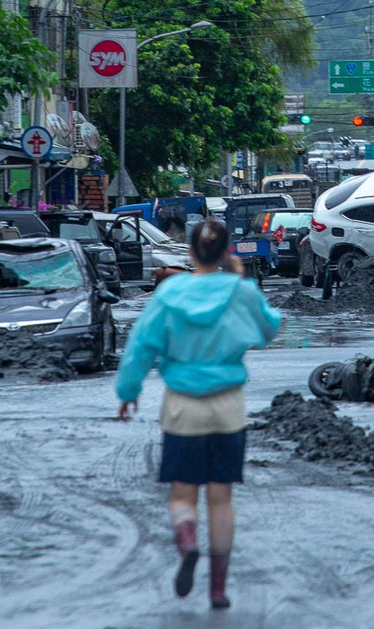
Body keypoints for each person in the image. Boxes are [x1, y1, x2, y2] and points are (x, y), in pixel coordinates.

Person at [116, 218, 281, 609]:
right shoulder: (240, 293)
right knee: (221, 500)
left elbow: (141, 345)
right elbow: (270, 328)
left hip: (182, 407)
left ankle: (188, 542)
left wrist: (128, 391)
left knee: (182, 495)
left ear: (190, 252)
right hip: (228, 407)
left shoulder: (170, 292)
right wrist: (244, 283)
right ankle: (219, 589)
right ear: (226, 253)